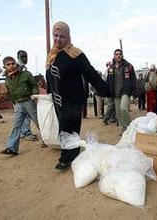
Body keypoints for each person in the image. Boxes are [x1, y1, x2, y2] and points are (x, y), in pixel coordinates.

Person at [45, 21, 111, 170]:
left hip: (73, 99)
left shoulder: (75, 54)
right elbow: (51, 77)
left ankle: (66, 158)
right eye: (55, 35)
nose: (58, 39)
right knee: (67, 127)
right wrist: (48, 93)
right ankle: (72, 153)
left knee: (67, 127)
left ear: (68, 37)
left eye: (62, 36)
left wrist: (105, 91)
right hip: (58, 100)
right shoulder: (52, 55)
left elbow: (90, 73)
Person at [0, 56, 44, 156]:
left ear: (16, 63)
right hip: (18, 104)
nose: (11, 66)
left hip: (29, 101)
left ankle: (47, 139)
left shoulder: (26, 74)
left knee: (39, 122)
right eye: (8, 64)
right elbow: (10, 92)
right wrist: (13, 101)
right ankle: (12, 148)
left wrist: (34, 96)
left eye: (13, 63)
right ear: (5, 67)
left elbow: (33, 85)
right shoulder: (7, 79)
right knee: (16, 126)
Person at [106, 49, 136, 134]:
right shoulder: (111, 68)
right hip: (116, 93)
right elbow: (108, 81)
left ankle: (129, 128)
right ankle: (123, 130)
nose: (118, 55)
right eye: (116, 54)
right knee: (118, 114)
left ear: (122, 56)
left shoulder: (128, 66)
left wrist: (134, 91)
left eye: (120, 54)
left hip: (125, 91)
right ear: (114, 56)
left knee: (123, 109)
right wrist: (106, 91)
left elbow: (133, 79)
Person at [16, 50, 38, 141]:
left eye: (26, 57)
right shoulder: (19, 68)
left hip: (23, 97)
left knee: (24, 117)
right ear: (18, 58)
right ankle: (26, 133)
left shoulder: (23, 68)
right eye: (23, 57)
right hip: (23, 98)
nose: (25, 59)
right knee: (32, 117)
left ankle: (24, 132)